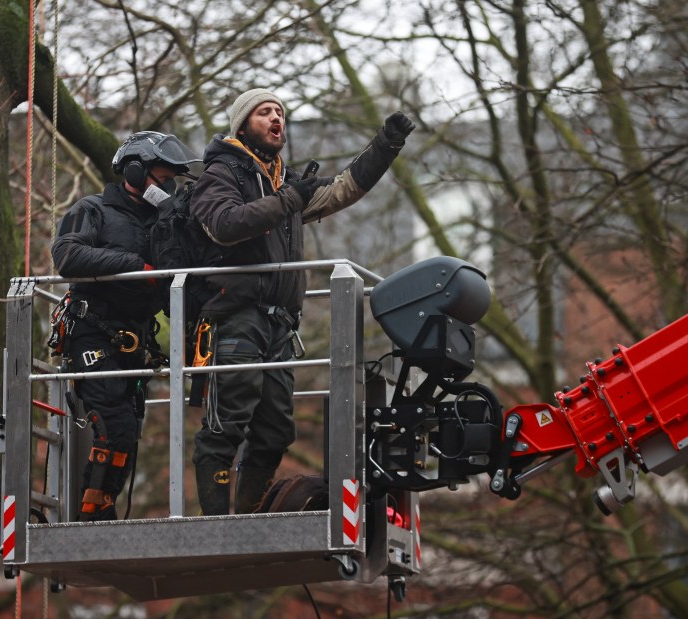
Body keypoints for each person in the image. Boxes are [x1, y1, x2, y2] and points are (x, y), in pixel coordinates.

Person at [189, 88, 416, 515]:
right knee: (226, 424)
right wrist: (290, 199)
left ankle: (248, 518)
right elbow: (224, 224)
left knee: (275, 431)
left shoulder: (283, 181)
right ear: (242, 124)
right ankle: (216, 523)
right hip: (236, 316)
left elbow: (342, 190)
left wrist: (386, 146)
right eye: (264, 112)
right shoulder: (221, 173)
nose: (277, 118)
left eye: (280, 112)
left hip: (279, 324)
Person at [52, 131, 200, 521]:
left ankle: (103, 506)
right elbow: (67, 255)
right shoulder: (94, 209)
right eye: (160, 176)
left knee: (128, 432)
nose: (166, 185)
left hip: (135, 342)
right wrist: (136, 268)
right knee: (113, 425)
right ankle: (91, 516)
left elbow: (179, 278)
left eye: (172, 179)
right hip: (93, 331)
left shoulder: (164, 223)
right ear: (134, 169)